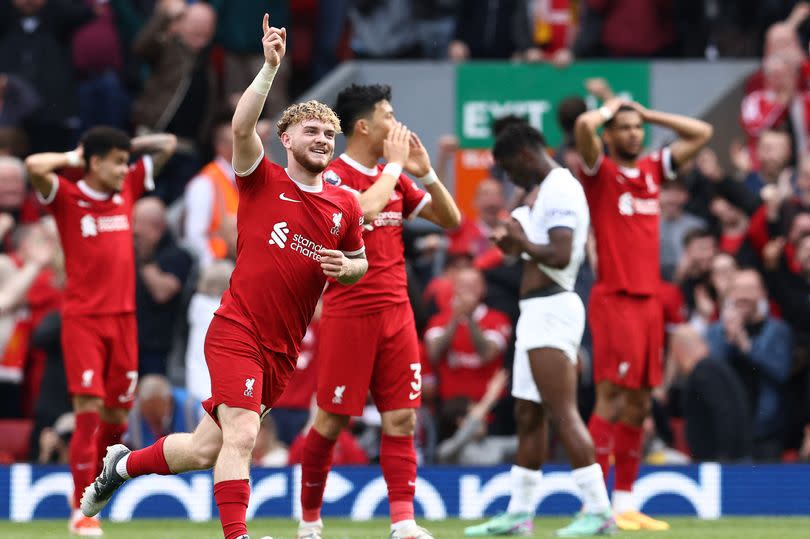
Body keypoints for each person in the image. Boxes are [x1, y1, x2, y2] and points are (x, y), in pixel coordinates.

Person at [80, 16, 368, 539]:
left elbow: (360, 263)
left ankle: (120, 466)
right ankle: (237, 536)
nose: (324, 139)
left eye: (331, 134)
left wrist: (346, 268)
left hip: (282, 347)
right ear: (284, 137)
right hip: (237, 329)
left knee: (203, 449)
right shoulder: (261, 179)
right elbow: (239, 128)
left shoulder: (345, 205)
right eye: (312, 130)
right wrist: (270, 67)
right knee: (243, 431)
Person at [296, 83, 461, 539]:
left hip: (397, 312)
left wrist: (426, 173)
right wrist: (394, 168)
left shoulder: (398, 177)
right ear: (365, 126)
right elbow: (362, 209)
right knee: (330, 421)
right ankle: (309, 520)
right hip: (349, 311)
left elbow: (451, 220)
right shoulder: (332, 176)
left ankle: (403, 522)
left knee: (402, 417)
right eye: (389, 114)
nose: (397, 123)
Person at [25, 126, 177, 536]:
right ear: (94, 163)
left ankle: (97, 491)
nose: (125, 168)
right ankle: (81, 510)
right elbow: (33, 165)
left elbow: (168, 146)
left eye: (126, 162)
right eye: (116, 161)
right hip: (84, 320)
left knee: (114, 420)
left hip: (124, 321)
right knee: (87, 410)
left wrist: (129, 145)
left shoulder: (125, 187)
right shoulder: (67, 196)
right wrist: (74, 156)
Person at [465, 123, 614, 538]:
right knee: (528, 415)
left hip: (553, 309)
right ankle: (520, 514)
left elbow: (563, 253)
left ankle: (600, 512)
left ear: (528, 155)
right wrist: (513, 243)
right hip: (534, 312)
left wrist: (522, 242)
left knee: (562, 411)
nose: (509, 178)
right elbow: (533, 250)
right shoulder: (542, 192)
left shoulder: (561, 188)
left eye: (510, 168)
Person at [574, 97, 712, 530]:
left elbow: (701, 133)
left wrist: (650, 114)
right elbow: (582, 125)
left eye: (638, 128)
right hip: (616, 297)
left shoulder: (653, 171)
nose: (634, 133)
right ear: (610, 136)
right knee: (610, 397)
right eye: (625, 128)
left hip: (650, 302)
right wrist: (609, 109)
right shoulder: (601, 174)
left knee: (638, 404)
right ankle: (592, 506)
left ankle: (626, 504)